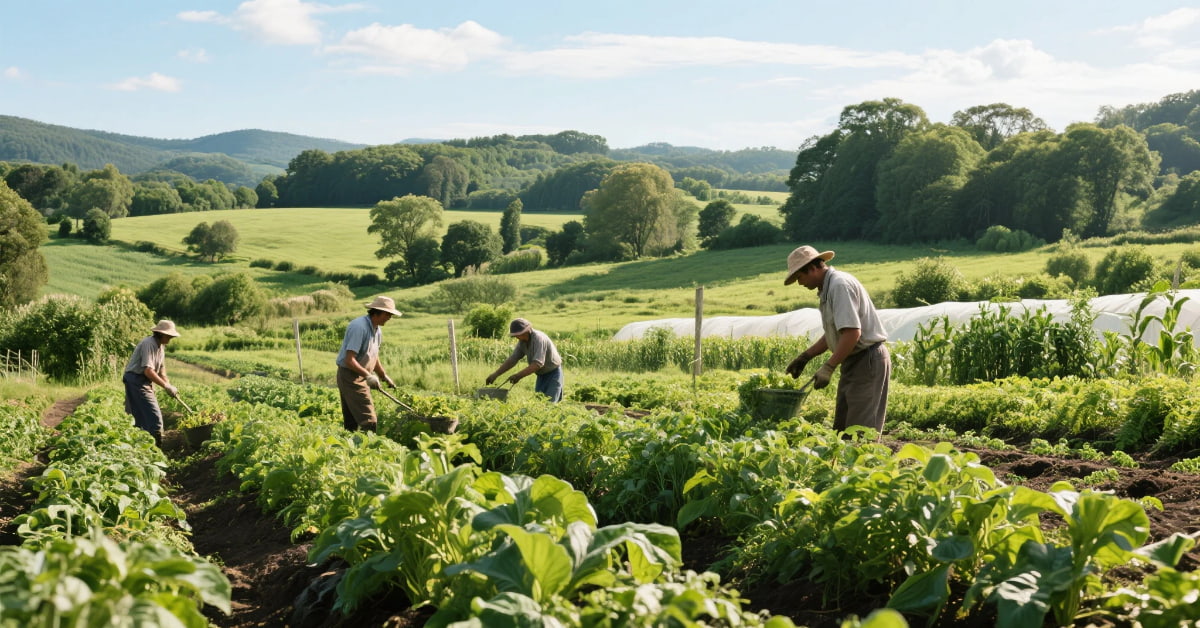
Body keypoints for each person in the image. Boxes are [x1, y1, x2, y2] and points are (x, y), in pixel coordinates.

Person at [783, 245, 890, 436]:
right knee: (842, 428)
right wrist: (805, 357)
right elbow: (836, 333)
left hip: (867, 360)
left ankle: (866, 466)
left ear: (813, 268)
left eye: (799, 277)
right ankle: (845, 465)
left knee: (860, 432)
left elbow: (852, 333)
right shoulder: (828, 288)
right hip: (853, 360)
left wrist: (829, 367)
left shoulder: (839, 286)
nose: (800, 283)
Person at [335, 296, 401, 432]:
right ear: (377, 312)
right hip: (350, 376)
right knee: (369, 420)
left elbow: (373, 356)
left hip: (360, 375)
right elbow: (349, 360)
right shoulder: (359, 327)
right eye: (388, 314)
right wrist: (368, 376)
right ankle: (368, 448)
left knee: (351, 421)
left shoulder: (377, 329)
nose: (389, 317)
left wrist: (383, 376)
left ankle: (351, 448)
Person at [123, 320, 181, 448]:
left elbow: (161, 370)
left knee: (140, 416)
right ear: (160, 334)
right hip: (136, 380)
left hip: (143, 381)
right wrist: (165, 386)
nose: (170, 338)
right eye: (169, 336)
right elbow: (148, 370)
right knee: (154, 419)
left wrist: (169, 385)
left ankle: (142, 448)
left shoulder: (161, 347)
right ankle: (156, 451)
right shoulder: (148, 344)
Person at [486, 318, 564, 402]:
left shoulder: (539, 339)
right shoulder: (522, 342)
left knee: (550, 404)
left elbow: (537, 364)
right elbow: (513, 359)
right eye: (515, 335)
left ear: (527, 331)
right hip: (541, 376)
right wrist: (495, 374)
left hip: (553, 374)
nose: (516, 337)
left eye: (518, 334)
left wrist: (518, 376)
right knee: (540, 404)